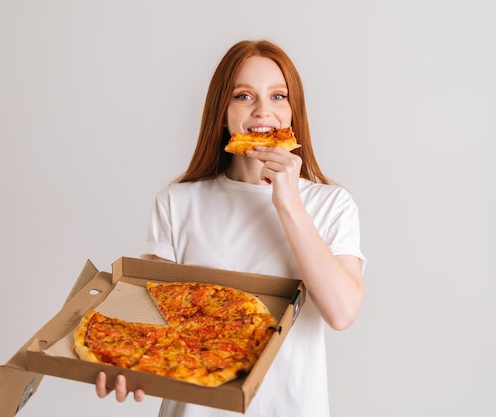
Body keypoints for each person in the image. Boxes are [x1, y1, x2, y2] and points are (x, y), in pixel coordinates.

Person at [95, 39, 366, 417]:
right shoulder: (177, 202)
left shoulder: (331, 204)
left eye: (277, 96)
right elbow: (151, 317)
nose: (262, 111)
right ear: (222, 112)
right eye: (243, 96)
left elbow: (341, 313)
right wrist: (120, 360)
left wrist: (288, 202)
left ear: (293, 112)